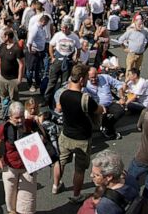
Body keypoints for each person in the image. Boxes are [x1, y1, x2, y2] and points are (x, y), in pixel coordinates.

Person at [54, 63, 99, 201]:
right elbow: (98, 110)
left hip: (66, 134)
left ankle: (56, 185)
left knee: (60, 161)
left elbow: (59, 108)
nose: (86, 80)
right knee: (79, 169)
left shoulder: (63, 94)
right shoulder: (85, 99)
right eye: (86, 78)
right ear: (81, 80)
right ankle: (76, 195)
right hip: (82, 138)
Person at [0, 102, 39, 214]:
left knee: (27, 204)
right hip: (10, 168)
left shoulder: (29, 123)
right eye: (17, 118)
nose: (20, 120)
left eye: (22, 116)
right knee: (11, 201)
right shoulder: (5, 127)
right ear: (10, 117)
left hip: (28, 168)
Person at [90, 149, 140, 214]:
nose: (91, 175)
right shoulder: (130, 179)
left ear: (109, 177)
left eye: (96, 175)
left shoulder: (105, 205)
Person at [0, 28, 24, 114]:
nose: (1, 37)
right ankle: (4, 112)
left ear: (7, 36)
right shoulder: (2, 46)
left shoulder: (17, 49)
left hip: (13, 79)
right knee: (3, 97)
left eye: (3, 35)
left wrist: (19, 79)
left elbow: (21, 64)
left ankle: (14, 114)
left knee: (14, 100)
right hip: (2, 78)